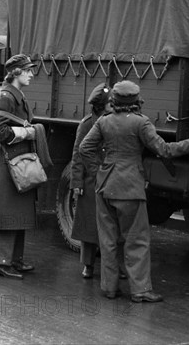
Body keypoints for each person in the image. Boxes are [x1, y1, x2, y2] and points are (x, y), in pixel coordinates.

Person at [79, 80, 189, 302]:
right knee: (136, 239)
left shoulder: (104, 122)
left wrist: (100, 170)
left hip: (105, 187)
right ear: (136, 101)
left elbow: (84, 148)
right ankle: (140, 290)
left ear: (115, 101)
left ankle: (109, 288)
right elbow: (165, 150)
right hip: (130, 188)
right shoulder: (141, 123)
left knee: (108, 240)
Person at [0, 54, 51, 280]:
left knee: (19, 211)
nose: (31, 74)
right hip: (9, 162)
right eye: (28, 70)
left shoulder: (16, 95)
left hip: (19, 162)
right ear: (16, 73)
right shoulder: (7, 97)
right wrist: (25, 132)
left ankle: (15, 259)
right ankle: (1, 262)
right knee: (6, 213)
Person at [70, 82, 117, 279]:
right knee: (89, 227)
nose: (112, 104)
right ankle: (88, 265)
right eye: (109, 102)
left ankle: (115, 266)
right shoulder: (88, 123)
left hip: (110, 178)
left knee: (113, 225)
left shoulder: (114, 121)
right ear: (100, 106)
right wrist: (77, 184)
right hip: (91, 181)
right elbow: (78, 154)